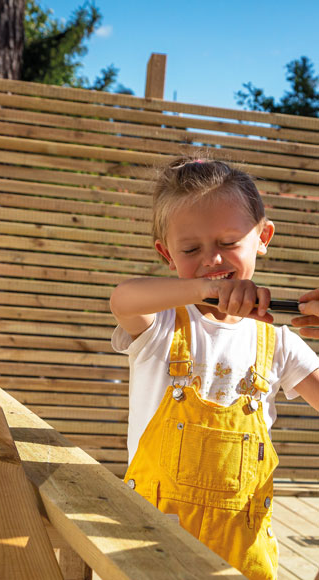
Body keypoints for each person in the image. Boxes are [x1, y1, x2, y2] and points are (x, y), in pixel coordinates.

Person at [109, 156, 319, 580]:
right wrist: (204, 289)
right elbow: (123, 298)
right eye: (191, 249)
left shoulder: (279, 345)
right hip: (150, 550)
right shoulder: (161, 326)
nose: (212, 259)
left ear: (263, 237)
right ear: (166, 254)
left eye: (228, 242)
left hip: (242, 558)